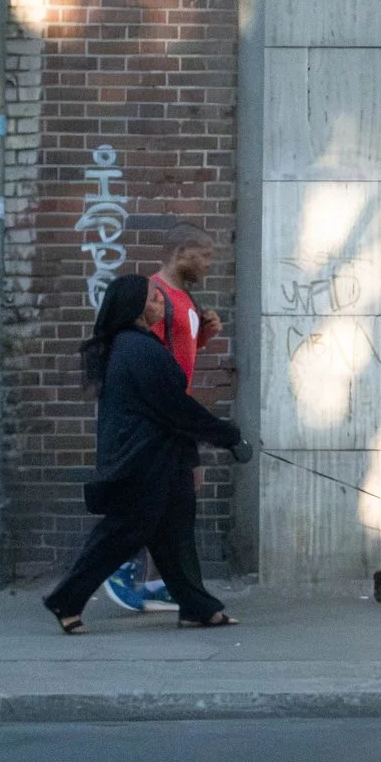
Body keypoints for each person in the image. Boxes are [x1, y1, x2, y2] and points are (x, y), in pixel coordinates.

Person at [43, 273, 249, 634]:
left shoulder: (135, 346)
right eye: (154, 298)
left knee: (173, 537)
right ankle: (66, 599)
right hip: (144, 463)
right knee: (121, 535)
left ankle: (196, 607)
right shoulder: (137, 349)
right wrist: (228, 436)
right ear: (135, 307)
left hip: (160, 460)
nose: (161, 302)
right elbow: (176, 407)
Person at [101, 229, 226, 613]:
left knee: (181, 493)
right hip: (161, 415)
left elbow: (175, 352)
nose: (209, 264)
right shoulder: (155, 298)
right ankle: (121, 569)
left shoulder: (185, 298)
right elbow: (145, 356)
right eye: (205, 255)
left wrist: (203, 335)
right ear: (182, 251)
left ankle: (163, 582)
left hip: (175, 411)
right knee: (158, 495)